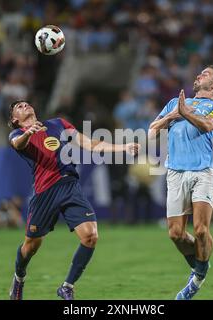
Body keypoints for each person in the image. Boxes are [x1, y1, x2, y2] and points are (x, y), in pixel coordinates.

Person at [7, 100, 140, 300]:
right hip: (45, 192)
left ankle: (67, 286)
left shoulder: (58, 124)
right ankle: (19, 278)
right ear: (15, 120)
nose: (24, 105)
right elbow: (18, 144)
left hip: (70, 186)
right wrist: (28, 132)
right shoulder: (17, 135)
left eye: (26, 104)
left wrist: (123, 147)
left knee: (91, 235)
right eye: (19, 107)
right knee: (30, 246)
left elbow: (90, 144)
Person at [148, 65, 213, 300]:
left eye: (205, 74)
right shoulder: (175, 103)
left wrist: (185, 112)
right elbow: (152, 131)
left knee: (200, 229)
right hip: (175, 173)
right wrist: (172, 114)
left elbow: (207, 126)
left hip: (202, 172)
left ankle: (198, 275)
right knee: (175, 234)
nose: (198, 75)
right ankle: (199, 265)